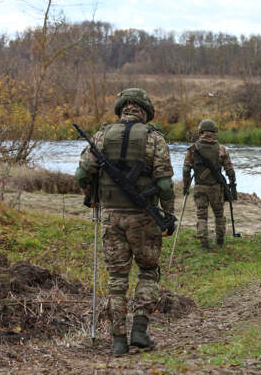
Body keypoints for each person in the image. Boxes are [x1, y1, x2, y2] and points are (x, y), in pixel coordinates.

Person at [75, 88, 175, 356]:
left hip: (111, 217)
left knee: (117, 279)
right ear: (145, 110)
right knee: (148, 272)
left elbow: (82, 173)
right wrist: (167, 214)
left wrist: (92, 198)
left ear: (122, 109)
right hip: (143, 219)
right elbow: (165, 184)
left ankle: (118, 340)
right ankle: (140, 331)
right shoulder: (154, 139)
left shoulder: (101, 135)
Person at [182, 119, 236, 249]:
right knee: (219, 215)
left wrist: (186, 186)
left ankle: (204, 243)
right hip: (216, 188)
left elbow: (186, 169)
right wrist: (232, 183)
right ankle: (220, 240)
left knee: (201, 215)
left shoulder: (193, 149)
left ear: (201, 131)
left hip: (200, 186)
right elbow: (230, 170)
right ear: (215, 132)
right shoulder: (222, 149)